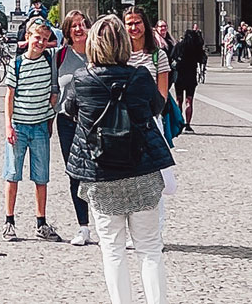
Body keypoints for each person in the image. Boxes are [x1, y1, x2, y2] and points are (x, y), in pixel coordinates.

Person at [60, 16, 175, 304]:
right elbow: (157, 107)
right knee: (150, 248)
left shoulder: (82, 80)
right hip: (142, 170)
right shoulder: (140, 77)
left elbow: (69, 110)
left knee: (112, 250)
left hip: (101, 172)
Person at [1, 19, 62, 243]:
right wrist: (8, 124)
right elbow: (9, 96)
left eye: (45, 39)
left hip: (40, 127)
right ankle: (9, 221)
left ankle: (41, 222)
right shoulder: (16, 63)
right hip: (19, 125)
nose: (40, 42)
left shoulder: (50, 60)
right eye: (37, 37)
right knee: (12, 175)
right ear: (27, 37)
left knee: (41, 177)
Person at [54, 10, 94, 246]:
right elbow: (53, 92)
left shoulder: (99, 53)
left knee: (101, 173)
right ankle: (83, 226)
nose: (78, 29)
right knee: (75, 173)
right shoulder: (59, 56)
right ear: (67, 31)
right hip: (67, 122)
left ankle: (109, 224)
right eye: (73, 26)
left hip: (95, 121)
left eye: (82, 25)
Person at [172, 28, 206, 131]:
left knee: (179, 100)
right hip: (191, 76)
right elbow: (202, 59)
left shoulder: (179, 46)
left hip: (180, 76)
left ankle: (179, 122)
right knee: (189, 101)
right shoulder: (196, 48)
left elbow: (171, 56)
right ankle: (188, 124)